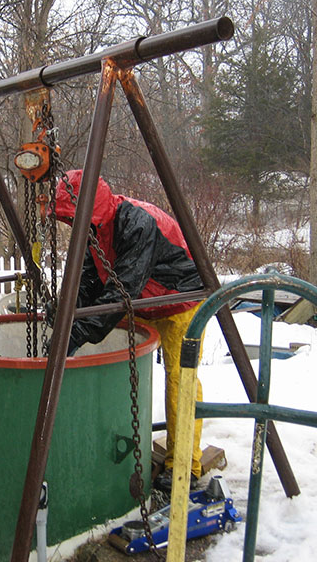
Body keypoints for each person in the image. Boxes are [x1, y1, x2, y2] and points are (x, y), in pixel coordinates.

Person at [51, 169, 205, 490]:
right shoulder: (94, 232)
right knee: (125, 372)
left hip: (181, 302)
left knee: (180, 379)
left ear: (91, 209)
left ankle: (185, 465)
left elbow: (121, 292)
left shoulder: (137, 223)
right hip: (144, 304)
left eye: (73, 217)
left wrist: (77, 334)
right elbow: (87, 284)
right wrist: (66, 314)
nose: (71, 226)